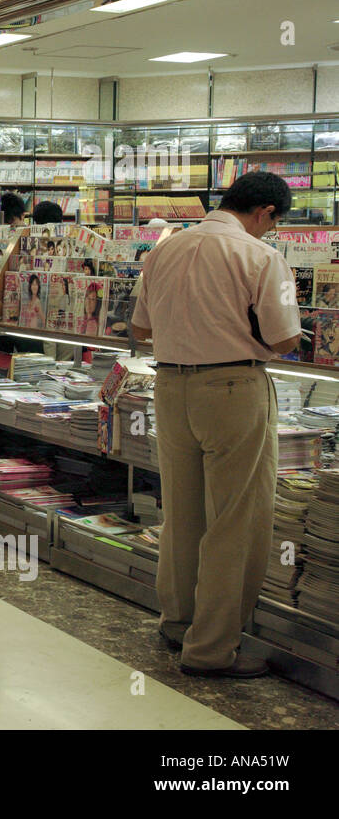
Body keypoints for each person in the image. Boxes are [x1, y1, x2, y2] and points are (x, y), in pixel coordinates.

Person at [131, 171, 300, 679]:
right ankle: (210, 650)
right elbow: (285, 339)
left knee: (182, 513)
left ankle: (177, 623)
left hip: (170, 387)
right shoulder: (261, 257)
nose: (269, 232)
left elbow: (140, 328)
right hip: (232, 391)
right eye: (273, 224)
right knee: (235, 522)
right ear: (265, 213)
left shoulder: (164, 250)